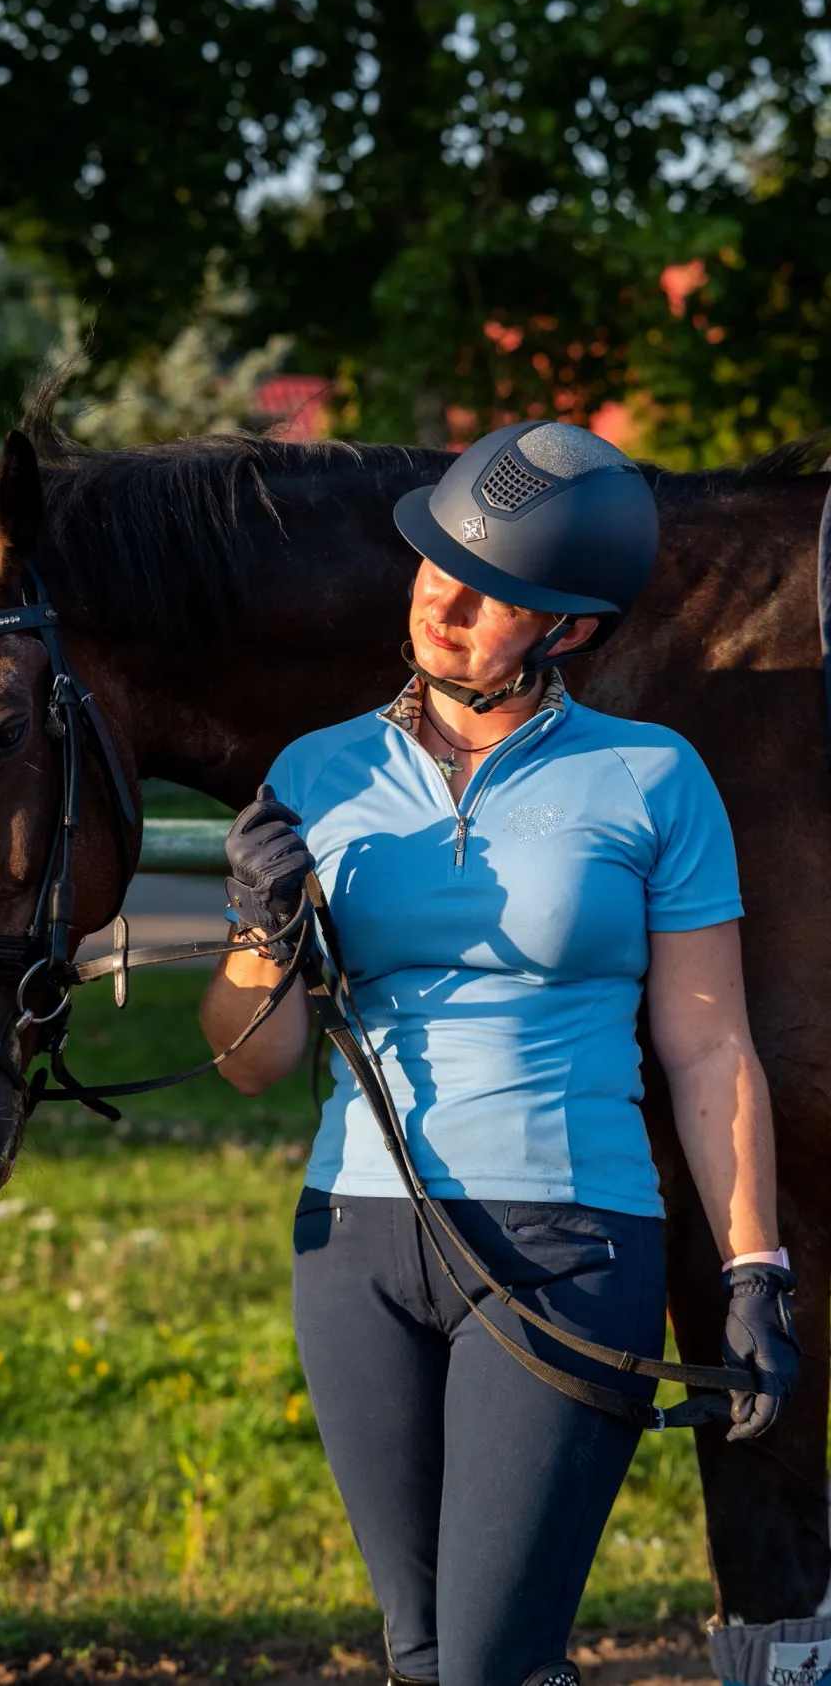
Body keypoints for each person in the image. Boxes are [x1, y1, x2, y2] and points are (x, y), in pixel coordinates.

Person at [198, 421, 800, 1686]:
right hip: (354, 1242)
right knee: (422, 1656)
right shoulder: (317, 771)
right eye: (438, 566)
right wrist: (260, 934)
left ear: (569, 628)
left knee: (490, 1661)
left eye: (495, 594)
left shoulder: (653, 777)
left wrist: (754, 1269)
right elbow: (251, 1062)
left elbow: (709, 1048)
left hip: (570, 1242)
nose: (446, 602)